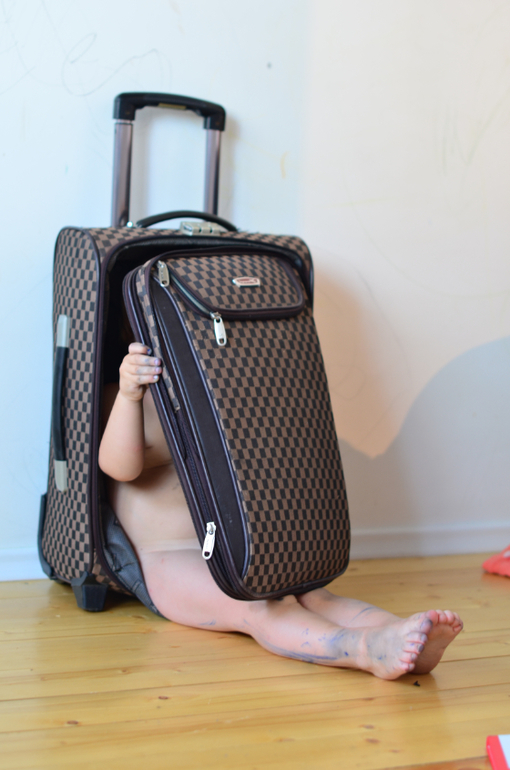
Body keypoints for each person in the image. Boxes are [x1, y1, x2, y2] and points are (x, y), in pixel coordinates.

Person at [98, 342, 463, 680]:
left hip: (226, 545)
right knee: (260, 608)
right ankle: (364, 649)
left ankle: (399, 633)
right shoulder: (128, 393)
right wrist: (129, 394)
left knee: (314, 596)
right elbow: (118, 467)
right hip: (170, 559)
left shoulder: (219, 384)